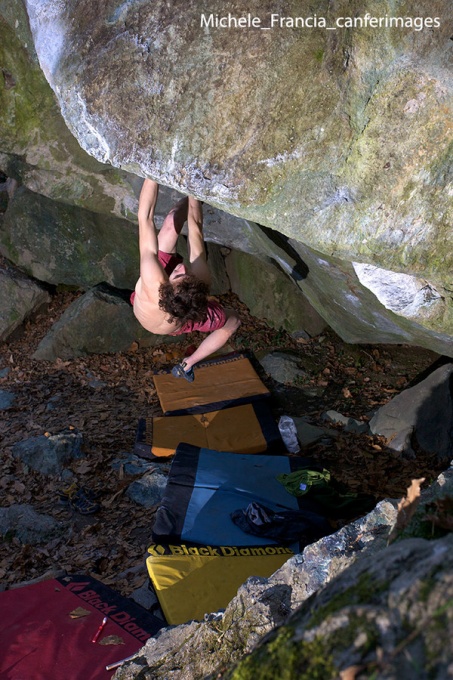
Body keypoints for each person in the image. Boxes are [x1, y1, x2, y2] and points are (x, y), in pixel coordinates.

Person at [131, 178, 241, 381]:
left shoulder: (153, 280)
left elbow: (144, 217)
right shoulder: (201, 280)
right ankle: (188, 363)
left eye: (180, 273)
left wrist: (150, 173)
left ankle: (188, 363)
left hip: (162, 311)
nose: (181, 266)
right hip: (176, 318)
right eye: (183, 273)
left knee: (171, 223)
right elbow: (196, 226)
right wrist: (195, 189)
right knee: (233, 321)